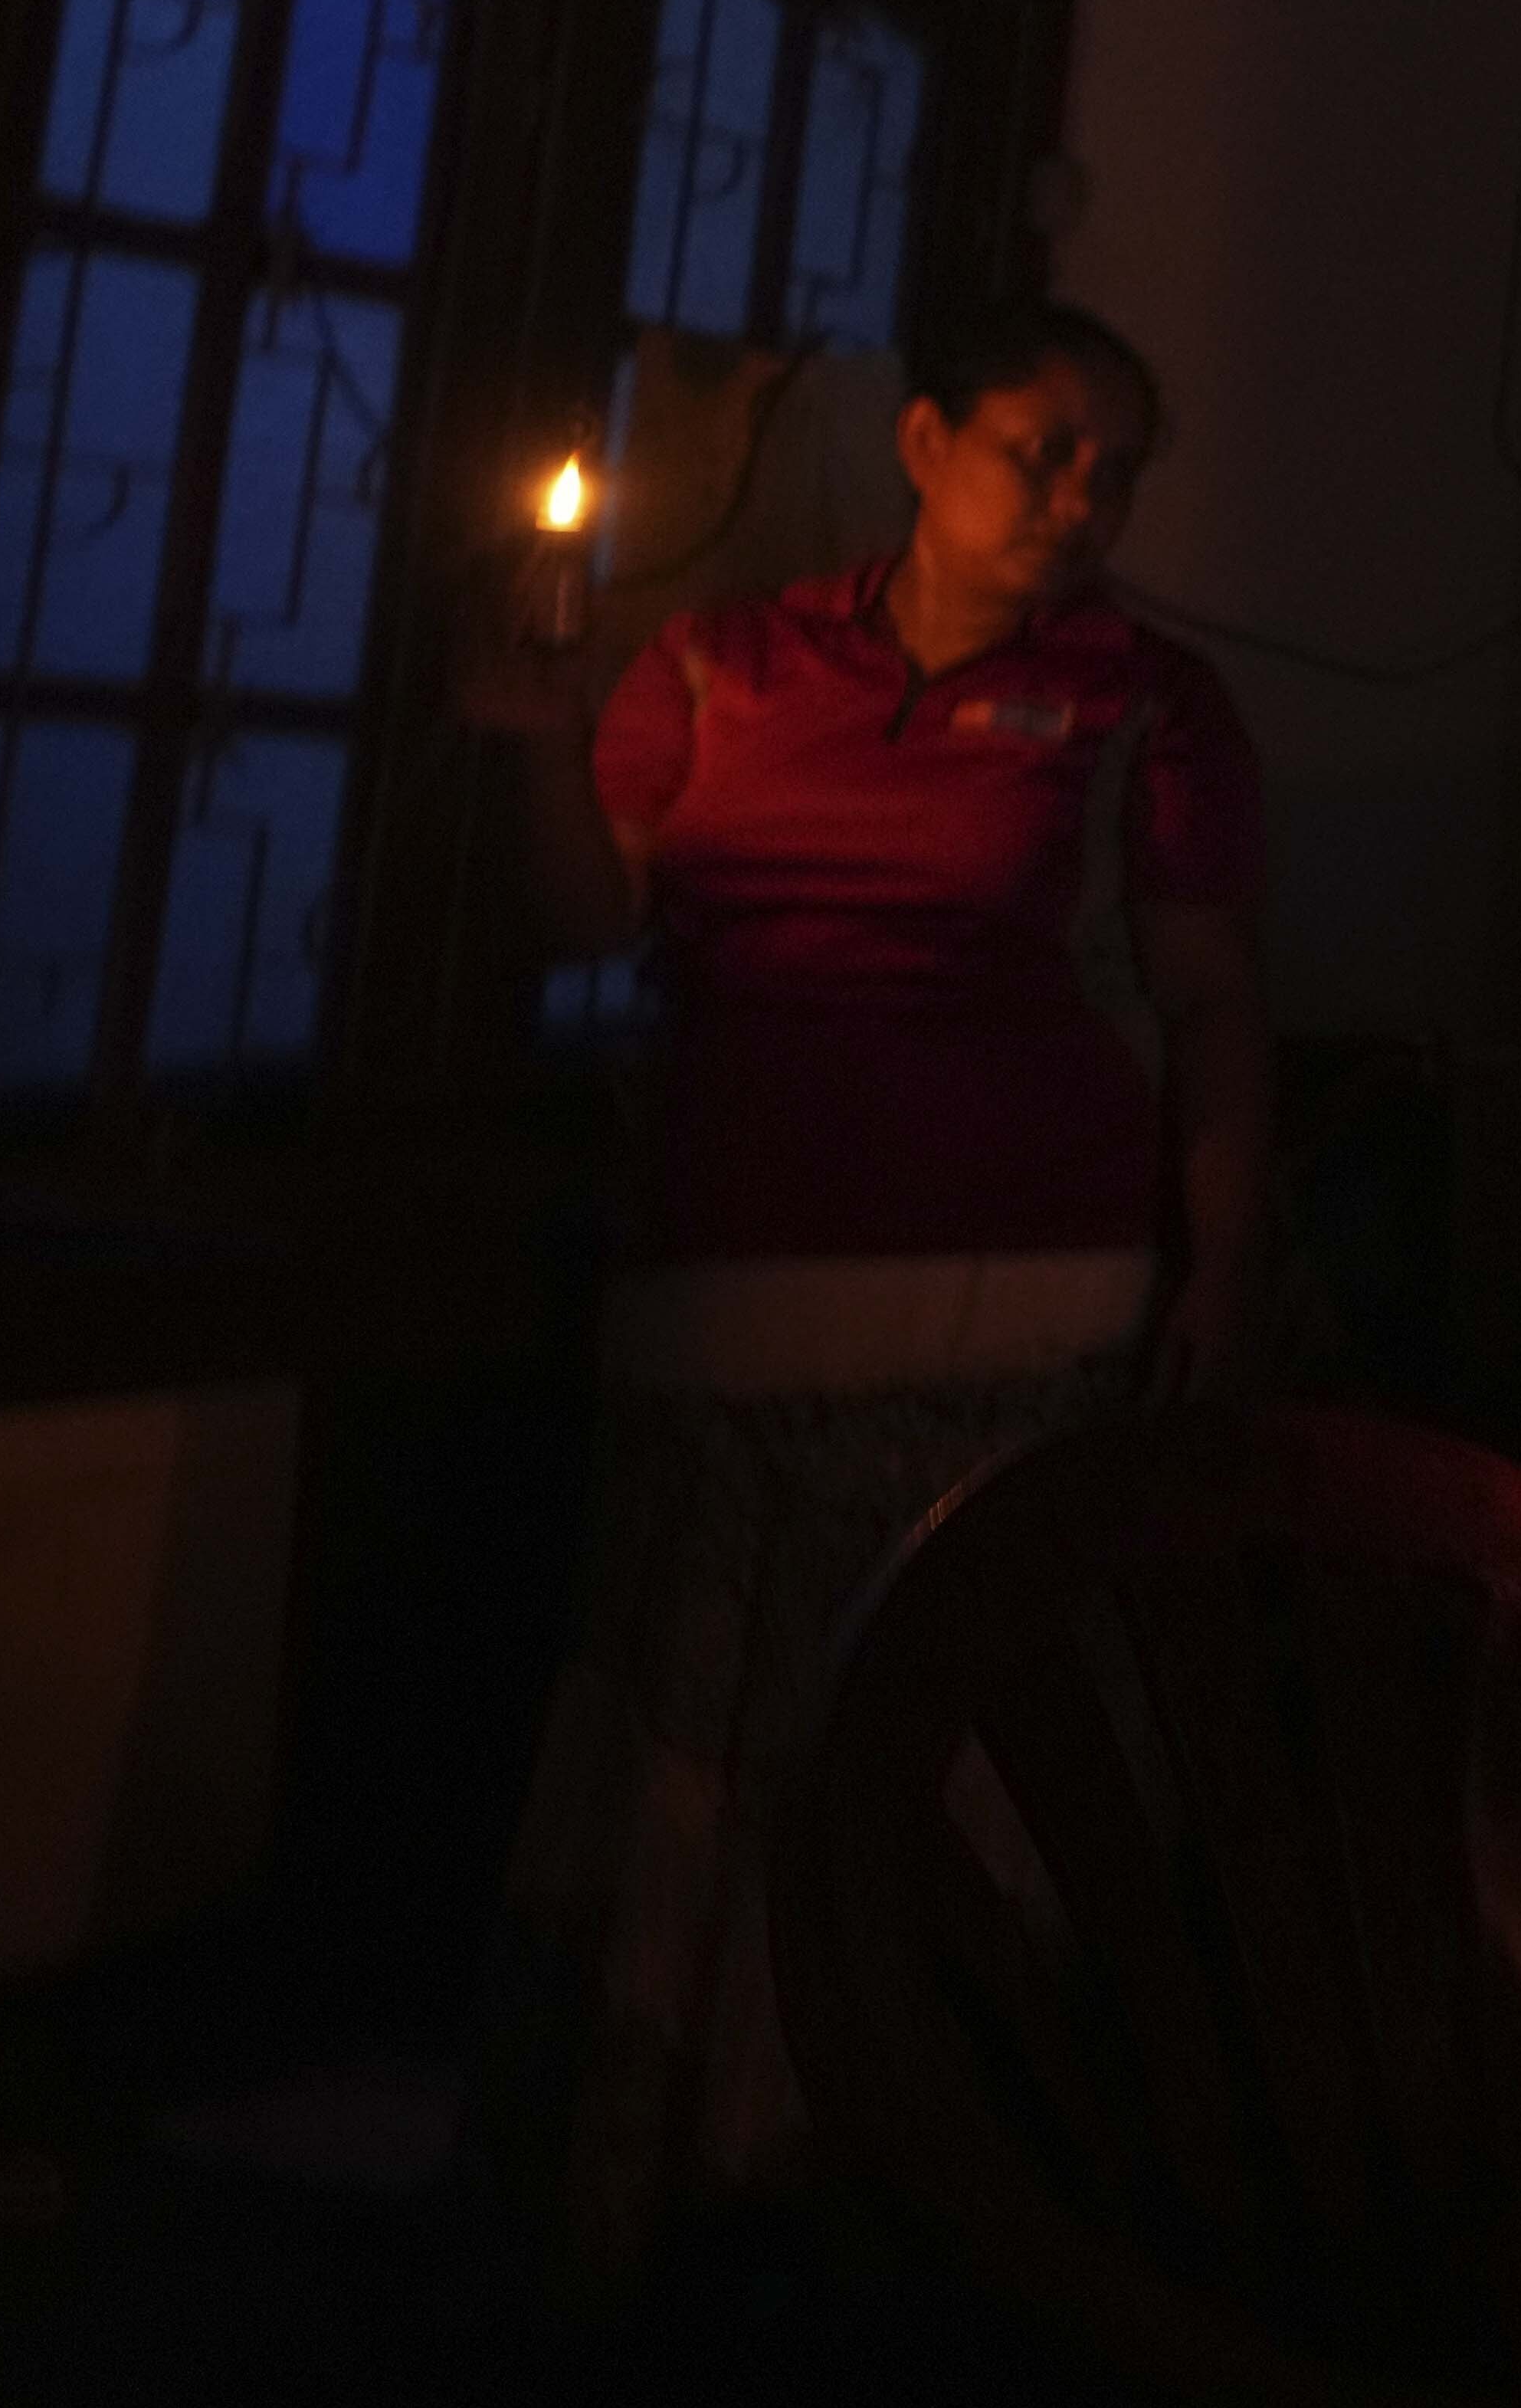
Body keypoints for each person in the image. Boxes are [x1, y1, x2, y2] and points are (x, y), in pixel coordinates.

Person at [456, 295, 1274, 2288]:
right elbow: (585, 908)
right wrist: (532, 738)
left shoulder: (1145, 698)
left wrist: (1225, 1252)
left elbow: (1209, 996)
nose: (1085, 497)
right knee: (708, 1744)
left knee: (968, 1746)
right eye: (1046, 448)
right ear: (924, 443)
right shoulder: (726, 662)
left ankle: (965, 2177)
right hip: (741, 1280)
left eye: (1118, 468)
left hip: (1024, 1289)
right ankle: (688, 2170)